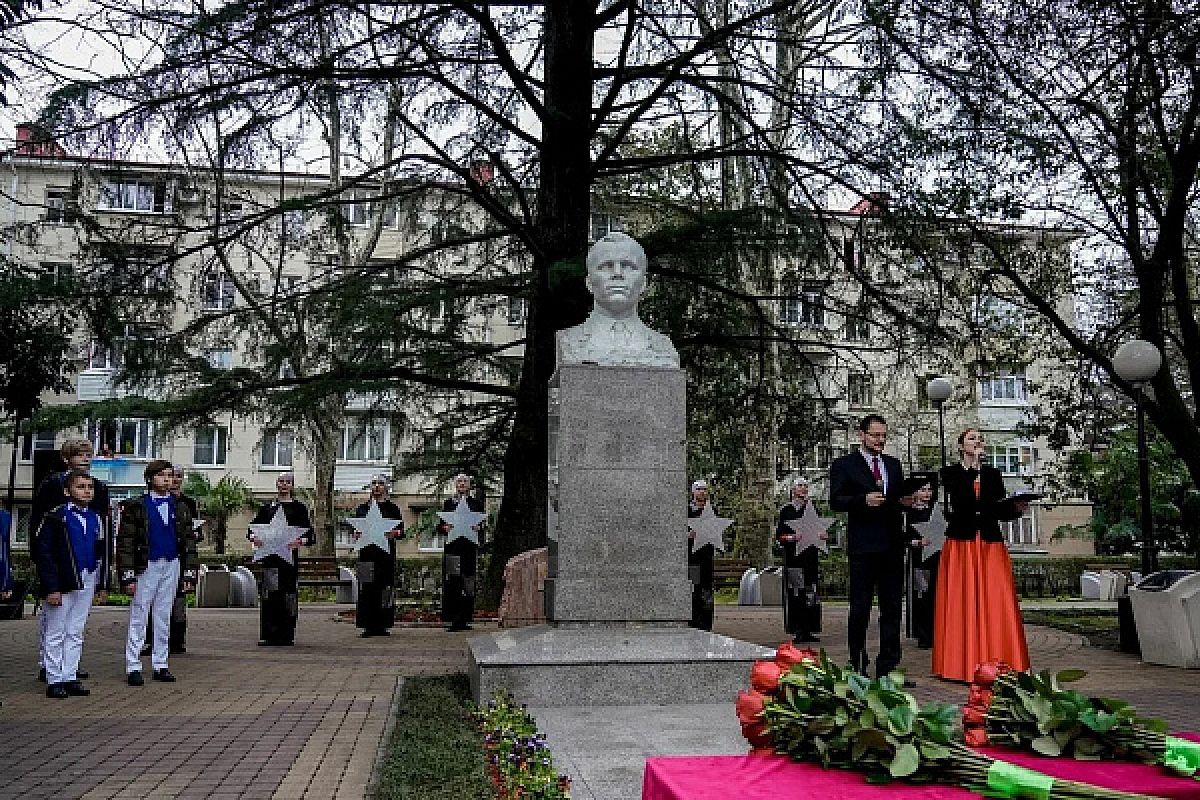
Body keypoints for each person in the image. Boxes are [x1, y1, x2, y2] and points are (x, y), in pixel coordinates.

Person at [933, 428, 1030, 681]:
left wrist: (1017, 509)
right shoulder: (950, 474)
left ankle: (998, 659)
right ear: (961, 446)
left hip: (989, 543)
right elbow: (962, 502)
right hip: (961, 544)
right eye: (972, 439)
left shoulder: (993, 474)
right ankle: (959, 663)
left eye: (980, 439)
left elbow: (996, 510)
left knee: (995, 598)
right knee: (962, 600)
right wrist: (973, 469)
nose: (978, 442)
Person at [829, 414, 914, 680]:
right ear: (861, 435)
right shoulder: (845, 465)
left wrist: (906, 501)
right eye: (875, 435)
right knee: (860, 607)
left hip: (891, 546)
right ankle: (857, 663)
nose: (880, 441)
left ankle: (888, 667)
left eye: (884, 436)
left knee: (892, 609)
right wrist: (862, 500)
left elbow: (897, 498)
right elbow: (836, 500)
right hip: (863, 547)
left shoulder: (893, 464)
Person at [31, 438, 109, 684]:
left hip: (85, 569)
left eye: (88, 454)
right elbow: (43, 542)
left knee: (75, 628)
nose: (85, 458)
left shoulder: (96, 509)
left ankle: (69, 672)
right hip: (61, 569)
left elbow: (102, 545)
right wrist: (49, 582)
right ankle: (52, 673)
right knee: (55, 626)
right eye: (79, 454)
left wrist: (102, 580)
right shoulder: (54, 500)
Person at [117, 459, 199, 685]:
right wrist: (127, 575)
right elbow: (125, 543)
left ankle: (160, 663)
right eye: (162, 475)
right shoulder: (136, 506)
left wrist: (189, 573)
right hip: (146, 565)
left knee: (164, 615)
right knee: (140, 613)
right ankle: (133, 665)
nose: (168, 479)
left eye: (171, 475)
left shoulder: (181, 507)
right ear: (150, 479)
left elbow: (190, 543)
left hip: (171, 564)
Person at [555, 232, 679, 368]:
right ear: (589, 283)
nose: (617, 274)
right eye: (607, 266)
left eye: (628, 266)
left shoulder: (663, 347)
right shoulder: (569, 341)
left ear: (643, 283)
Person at [247, 473, 313, 646]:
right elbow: (252, 529)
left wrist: (300, 541)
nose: (284, 485)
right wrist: (255, 537)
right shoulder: (268, 508)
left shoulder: (299, 508)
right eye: (281, 482)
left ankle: (287, 634)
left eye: (288, 482)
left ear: (292, 486)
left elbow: (309, 534)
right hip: (271, 560)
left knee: (288, 596)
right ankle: (269, 634)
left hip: (289, 561)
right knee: (270, 595)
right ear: (277, 484)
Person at [351, 474, 404, 637]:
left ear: (386, 487)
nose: (377, 487)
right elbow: (355, 529)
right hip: (366, 555)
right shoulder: (363, 508)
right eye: (374, 483)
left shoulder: (392, 509)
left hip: (385, 556)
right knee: (366, 588)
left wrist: (393, 533)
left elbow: (401, 531)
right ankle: (367, 625)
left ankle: (382, 625)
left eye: (380, 483)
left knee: (384, 588)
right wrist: (356, 533)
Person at [776, 477, 824, 643]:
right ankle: (797, 629)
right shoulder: (786, 511)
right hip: (794, 559)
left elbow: (820, 530)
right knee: (796, 593)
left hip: (810, 558)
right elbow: (779, 537)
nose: (803, 489)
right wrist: (792, 537)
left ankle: (810, 628)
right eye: (800, 486)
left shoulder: (812, 510)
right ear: (793, 490)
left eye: (806, 486)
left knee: (811, 592)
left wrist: (822, 536)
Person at [438, 474, 485, 632]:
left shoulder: (476, 504)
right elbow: (441, 526)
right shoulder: (448, 504)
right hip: (452, 549)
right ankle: (453, 619)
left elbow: (481, 526)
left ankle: (465, 618)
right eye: (459, 481)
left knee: (468, 583)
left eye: (465, 481)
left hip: (469, 550)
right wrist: (445, 528)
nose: (462, 484)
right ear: (455, 485)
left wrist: (478, 529)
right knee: (452, 583)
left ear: (469, 485)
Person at [169, 465, 200, 654]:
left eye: (179, 476)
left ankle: (178, 641)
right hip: (162, 556)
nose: (175, 480)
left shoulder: (189, 502)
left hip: (182, 557)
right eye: (172, 476)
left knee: (179, 601)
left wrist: (195, 534)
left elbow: (196, 531)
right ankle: (153, 640)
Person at [905, 477, 937, 650]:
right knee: (922, 596)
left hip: (936, 559)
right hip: (919, 560)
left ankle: (936, 632)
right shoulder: (909, 513)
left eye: (929, 490)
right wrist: (918, 542)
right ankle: (923, 635)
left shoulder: (935, 511)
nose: (927, 494)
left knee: (935, 596)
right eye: (923, 490)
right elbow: (903, 537)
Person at [687, 479, 716, 631]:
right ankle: (693, 621)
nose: (702, 492)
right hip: (692, 559)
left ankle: (706, 624)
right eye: (699, 489)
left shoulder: (711, 511)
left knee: (706, 590)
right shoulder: (687, 511)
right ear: (693, 491)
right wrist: (689, 535)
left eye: (705, 489)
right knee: (693, 589)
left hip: (706, 559)